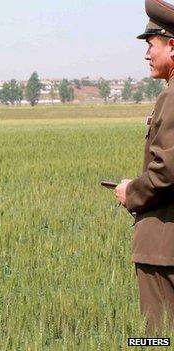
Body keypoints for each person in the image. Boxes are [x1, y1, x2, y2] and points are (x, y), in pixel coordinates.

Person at [116, 0, 174, 333]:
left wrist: (131, 192)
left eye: (151, 45)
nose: (146, 54)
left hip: (163, 249)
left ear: (172, 45)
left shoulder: (172, 97)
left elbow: (167, 169)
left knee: (157, 340)